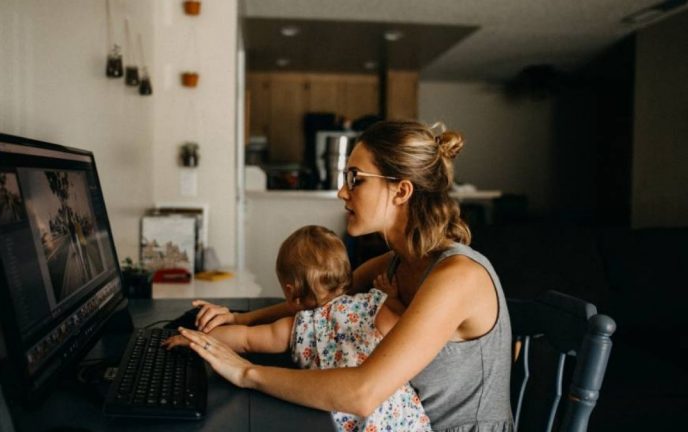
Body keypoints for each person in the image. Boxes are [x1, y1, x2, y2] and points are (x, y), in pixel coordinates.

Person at [178, 120, 514, 431]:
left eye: (355, 178)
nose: (342, 191)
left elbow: (363, 392)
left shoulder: (457, 277)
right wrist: (239, 319)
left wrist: (245, 373)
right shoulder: (395, 263)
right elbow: (324, 300)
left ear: (401, 191)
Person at [164, 225, 431, 431]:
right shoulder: (374, 304)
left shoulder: (299, 326)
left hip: (344, 420)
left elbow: (244, 339)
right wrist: (391, 298)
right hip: (402, 419)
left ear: (291, 292)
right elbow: (399, 325)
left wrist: (196, 338)